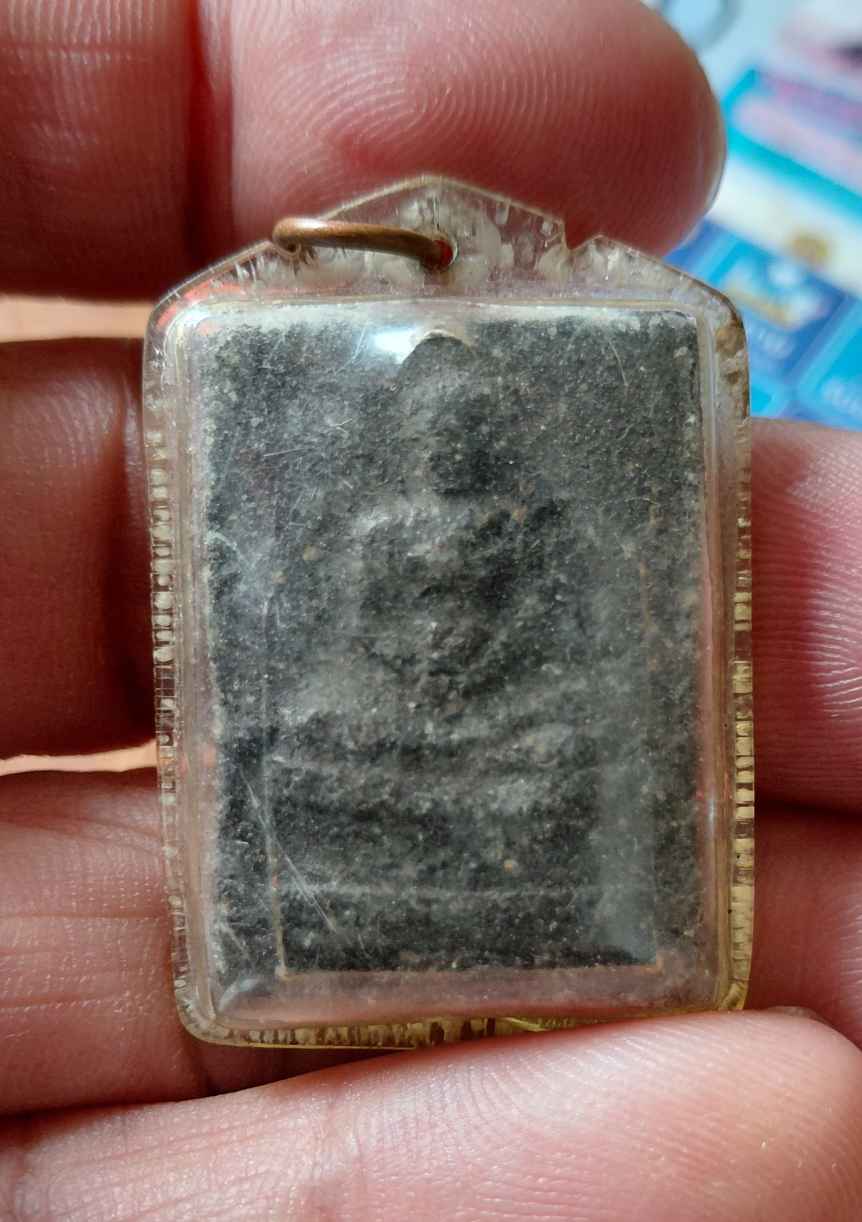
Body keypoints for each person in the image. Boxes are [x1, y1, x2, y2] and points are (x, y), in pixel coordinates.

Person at [0, 1, 860, 1217]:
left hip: (510, 729)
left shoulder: (535, 523)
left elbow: (573, 644)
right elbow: (348, 643)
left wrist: (500, 693)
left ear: (492, 435)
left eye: (472, 429)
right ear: (406, 438)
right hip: (395, 729)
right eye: (432, 431)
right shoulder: (375, 529)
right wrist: (402, 695)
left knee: (572, 755)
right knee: (303, 750)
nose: (451, 448)